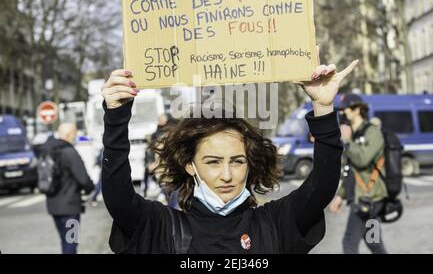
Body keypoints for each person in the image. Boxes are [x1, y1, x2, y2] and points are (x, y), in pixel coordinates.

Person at [101, 50, 359, 253]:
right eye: (213, 162)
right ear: (190, 165)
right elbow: (118, 198)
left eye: (237, 161)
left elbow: (322, 186)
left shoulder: (273, 224)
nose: (227, 175)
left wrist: (323, 108)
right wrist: (116, 114)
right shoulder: (163, 227)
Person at [329, 94, 388, 254]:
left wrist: (348, 142)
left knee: (349, 242)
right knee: (373, 242)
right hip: (364, 197)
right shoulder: (355, 134)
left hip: (370, 198)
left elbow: (362, 159)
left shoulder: (372, 133)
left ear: (357, 110)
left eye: (344, 109)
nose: (341, 113)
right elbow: (350, 170)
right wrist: (341, 196)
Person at [43, 123, 95, 254]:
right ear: (68, 134)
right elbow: (83, 179)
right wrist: (90, 188)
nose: (75, 137)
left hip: (53, 206)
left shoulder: (49, 150)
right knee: (71, 242)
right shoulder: (70, 152)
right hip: (70, 207)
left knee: (64, 240)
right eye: (74, 134)